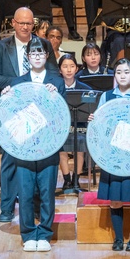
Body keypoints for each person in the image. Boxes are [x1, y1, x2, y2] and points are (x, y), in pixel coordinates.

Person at [0, 7, 57, 223]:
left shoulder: (43, 45)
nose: (26, 27)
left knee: (37, 159)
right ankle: (7, 208)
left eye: (29, 23)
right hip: (12, 110)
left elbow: (53, 75)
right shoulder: (1, 46)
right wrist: (22, 85)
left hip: (38, 111)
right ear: (13, 24)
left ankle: (36, 207)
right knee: (10, 160)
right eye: (22, 23)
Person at [1, 38, 65, 251]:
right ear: (28, 57)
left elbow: (61, 117)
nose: (37, 57)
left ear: (47, 56)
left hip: (49, 146)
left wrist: (55, 98)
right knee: (26, 192)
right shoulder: (18, 82)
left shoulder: (57, 82)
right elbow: (10, 114)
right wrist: (5, 98)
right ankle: (28, 233)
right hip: (24, 147)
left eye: (41, 53)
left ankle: (45, 233)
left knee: (47, 192)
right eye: (33, 54)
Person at [89, 59, 130, 251]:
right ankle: (117, 239)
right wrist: (94, 120)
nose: (122, 75)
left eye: (126, 72)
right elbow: (101, 127)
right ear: (114, 75)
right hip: (113, 156)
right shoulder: (106, 97)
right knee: (115, 200)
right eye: (118, 72)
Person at [58, 53, 92, 195]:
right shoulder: (56, 87)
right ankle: (66, 179)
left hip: (81, 125)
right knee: (61, 147)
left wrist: (90, 115)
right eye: (65, 66)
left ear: (77, 68)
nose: (69, 69)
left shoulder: (85, 88)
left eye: (72, 66)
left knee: (80, 144)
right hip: (62, 127)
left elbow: (90, 108)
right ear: (60, 70)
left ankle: (76, 179)